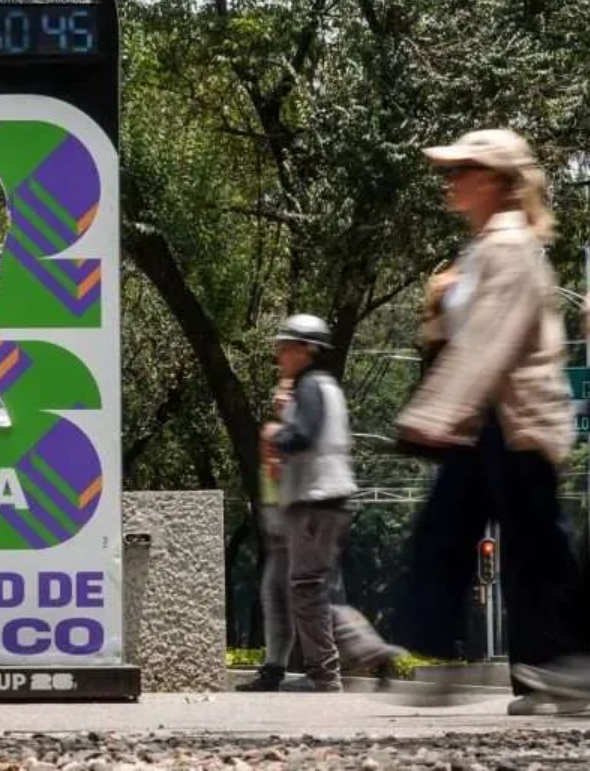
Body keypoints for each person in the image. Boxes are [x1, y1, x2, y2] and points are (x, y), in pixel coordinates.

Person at [395, 128, 585, 715]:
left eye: (464, 170)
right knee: (463, 539)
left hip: (514, 422)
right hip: (485, 423)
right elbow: (460, 338)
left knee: (532, 552)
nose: (451, 181)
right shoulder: (483, 248)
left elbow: (489, 345)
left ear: (497, 182)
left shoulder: (508, 246)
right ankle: (541, 675)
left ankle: (563, 669)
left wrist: (433, 413)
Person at [237, 375, 401, 691]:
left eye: (287, 393)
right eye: (279, 392)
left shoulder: (285, 431)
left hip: (294, 528)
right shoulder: (291, 428)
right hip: (288, 527)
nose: (280, 397)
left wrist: (273, 456)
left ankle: (355, 658)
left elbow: (277, 473)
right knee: (293, 600)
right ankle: (280, 668)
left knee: (308, 600)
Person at [255, 314, 361, 692]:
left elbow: (303, 435)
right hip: (323, 498)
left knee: (305, 586)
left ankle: (324, 674)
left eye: (286, 348)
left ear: (308, 350)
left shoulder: (313, 386)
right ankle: (335, 665)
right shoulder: (321, 386)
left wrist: (275, 434)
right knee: (311, 585)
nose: (280, 355)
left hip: (316, 499)